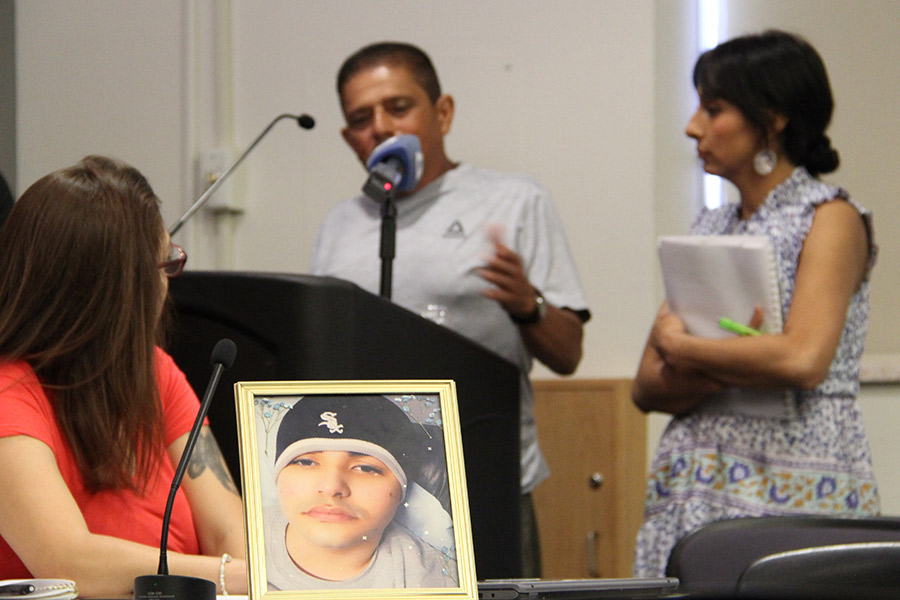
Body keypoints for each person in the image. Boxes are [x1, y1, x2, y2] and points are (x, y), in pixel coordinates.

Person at [309, 41, 591, 576]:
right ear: (349, 137)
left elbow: (569, 352)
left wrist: (527, 305)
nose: (381, 128)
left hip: (483, 477)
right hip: (363, 491)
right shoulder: (340, 225)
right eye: (361, 118)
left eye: (399, 107)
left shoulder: (513, 200)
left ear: (443, 112)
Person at [632, 30, 879, 577]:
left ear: (773, 118)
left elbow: (801, 361)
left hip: (796, 474)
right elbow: (646, 386)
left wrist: (684, 347)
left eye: (713, 108)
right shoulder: (711, 225)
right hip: (698, 477)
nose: (692, 126)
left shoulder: (829, 216)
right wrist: (731, 363)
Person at [0, 156, 248, 597]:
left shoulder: (155, 371)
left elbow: (230, 534)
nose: (168, 285)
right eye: (166, 264)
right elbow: (66, 562)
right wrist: (232, 578)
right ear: (117, 289)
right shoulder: (9, 391)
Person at [265, 394, 457, 589]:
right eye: (306, 462)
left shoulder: (440, 582)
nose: (332, 488)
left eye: (366, 468)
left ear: (401, 490)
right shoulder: (240, 536)